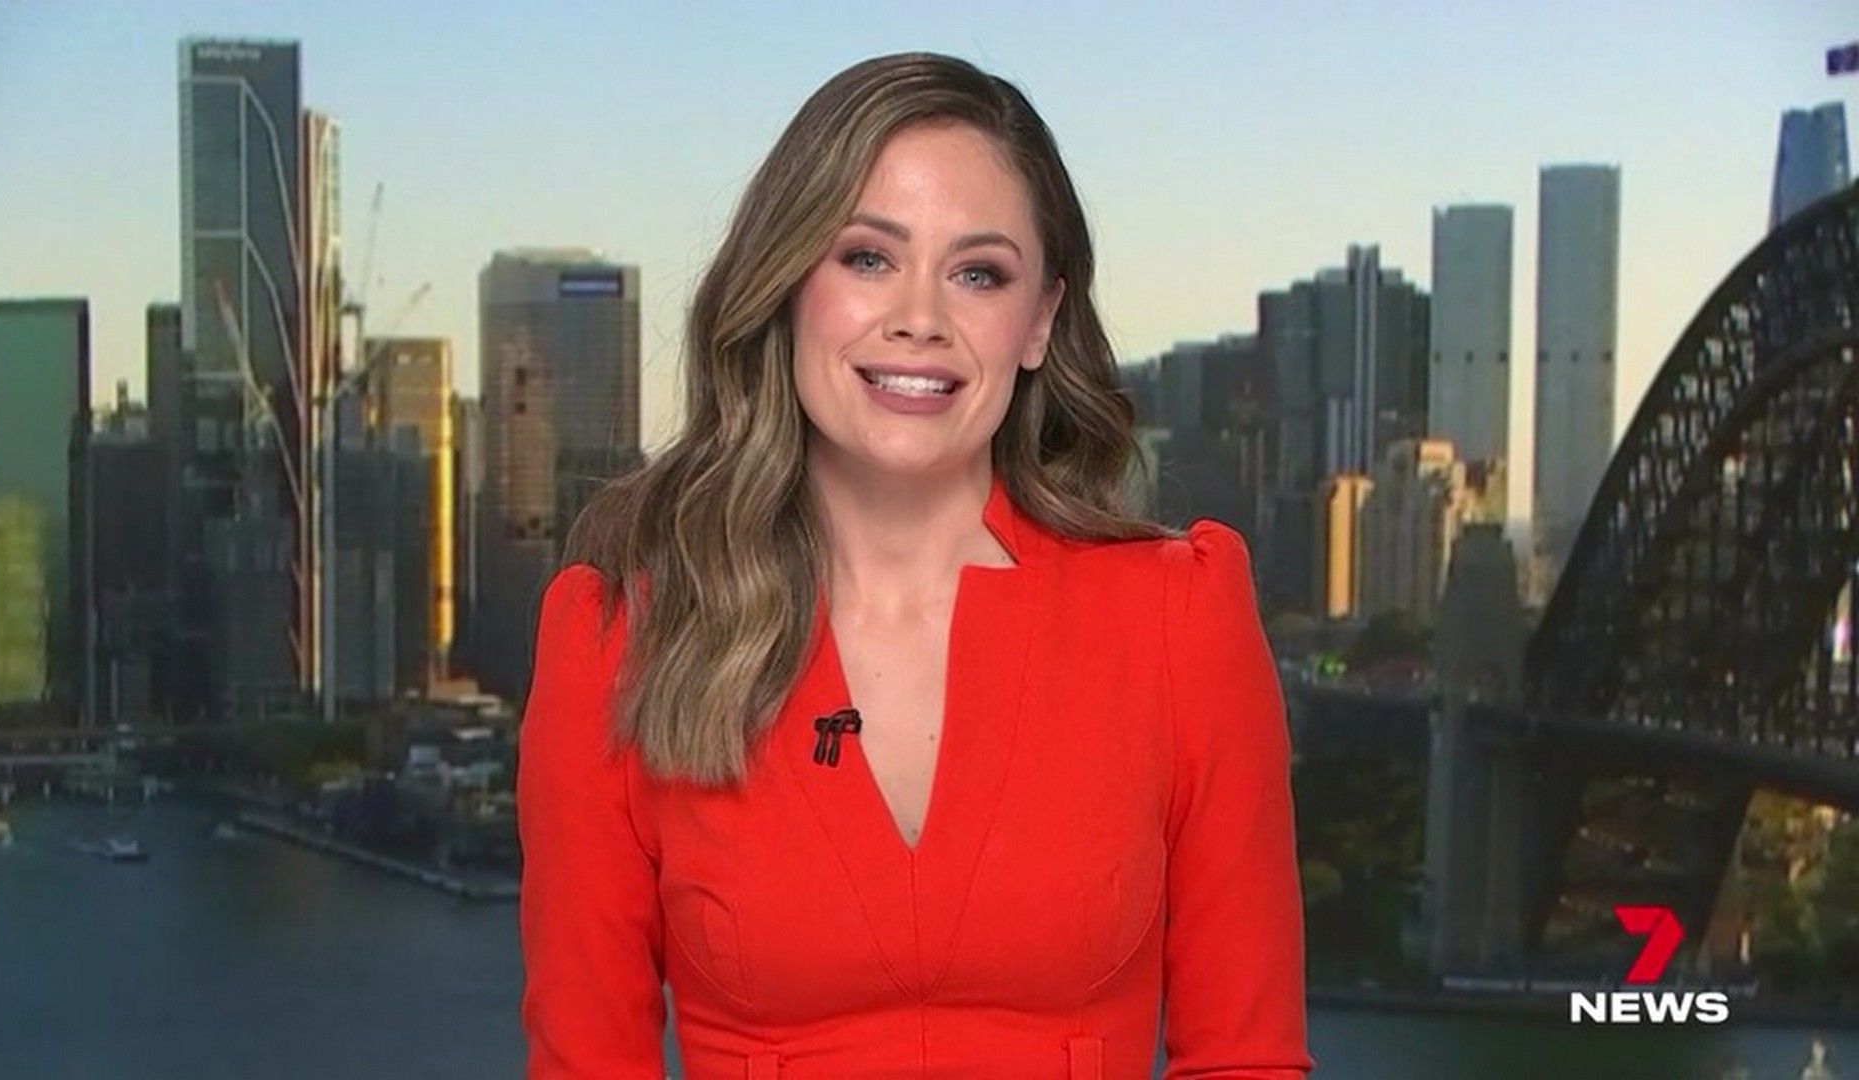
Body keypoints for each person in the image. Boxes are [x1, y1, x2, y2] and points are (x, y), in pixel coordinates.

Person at [517, 51, 1312, 1079]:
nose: (920, 319)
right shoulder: (618, 639)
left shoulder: (1178, 620)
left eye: (978, 273)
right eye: (866, 258)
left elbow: (1247, 1058)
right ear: (786, 285)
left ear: (1039, 322)